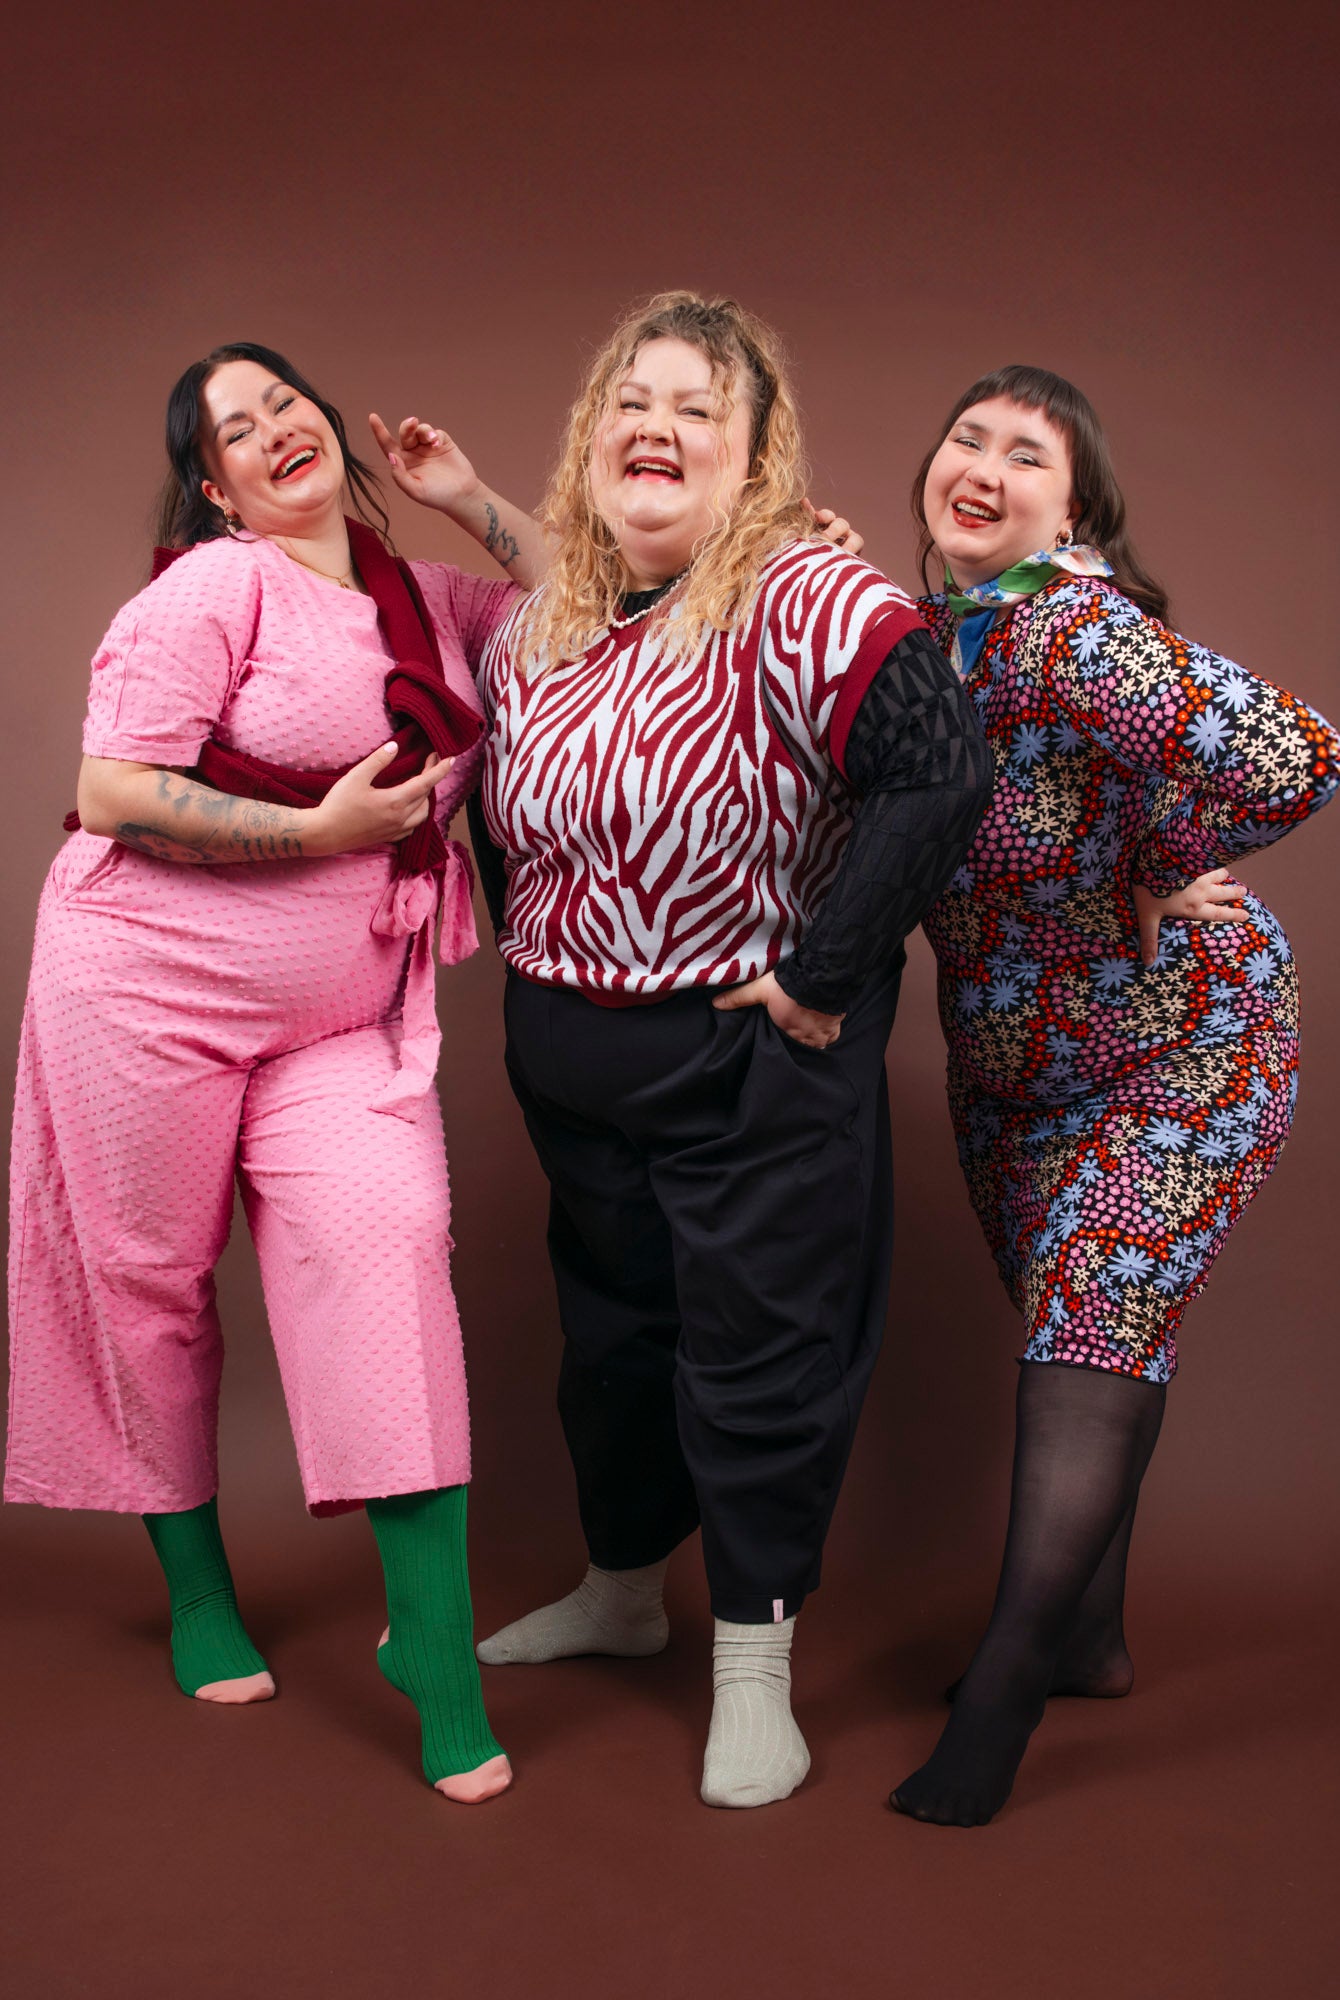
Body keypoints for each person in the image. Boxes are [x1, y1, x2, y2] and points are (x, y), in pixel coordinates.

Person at [390, 291, 993, 1809]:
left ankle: (753, 1661)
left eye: (697, 408)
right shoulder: (550, 619)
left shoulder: (806, 591)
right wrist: (546, 961)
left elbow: (939, 771)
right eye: (631, 401)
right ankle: (621, 1592)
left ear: (754, 455)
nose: (656, 426)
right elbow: (514, 813)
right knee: (613, 1349)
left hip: (749, 1063)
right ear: (591, 436)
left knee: (756, 1356)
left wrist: (821, 972)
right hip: (573, 1058)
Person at [5, 341, 547, 1803]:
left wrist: (467, 496)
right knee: (149, 1283)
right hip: (145, 986)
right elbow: (114, 789)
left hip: (341, 1016)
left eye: (283, 401)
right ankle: (198, 1595)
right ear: (217, 488)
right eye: (233, 431)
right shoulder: (211, 591)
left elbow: (595, 609)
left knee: (387, 1247)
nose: (271, 430)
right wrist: (316, 834)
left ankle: (431, 1650)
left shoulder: (429, 600)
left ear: (326, 422)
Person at [891, 365, 1339, 1826]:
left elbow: (1300, 755)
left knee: (1095, 1323)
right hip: (1012, 1074)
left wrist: (1162, 861)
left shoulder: (1072, 627)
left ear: (1073, 512)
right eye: (968, 437)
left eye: (1029, 454)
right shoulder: (928, 643)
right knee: (1088, 1335)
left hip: (1179, 1044)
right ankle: (1089, 1636)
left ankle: (1010, 1686)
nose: (986, 465)